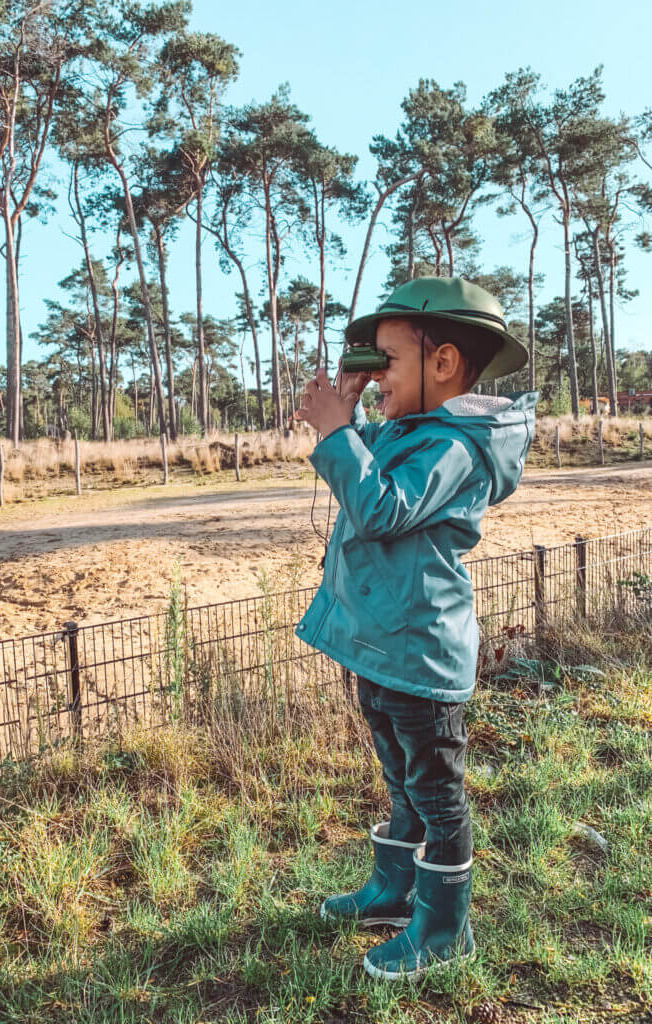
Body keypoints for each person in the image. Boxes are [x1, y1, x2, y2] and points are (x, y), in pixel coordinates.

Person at [293, 276, 537, 981]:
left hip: (422, 656)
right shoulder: (411, 431)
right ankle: (393, 894)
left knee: (436, 792)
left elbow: (381, 506)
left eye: (388, 362)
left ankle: (443, 927)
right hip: (383, 649)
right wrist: (348, 406)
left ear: (444, 363)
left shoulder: (456, 447)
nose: (378, 377)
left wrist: (340, 432)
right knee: (401, 781)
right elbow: (361, 460)